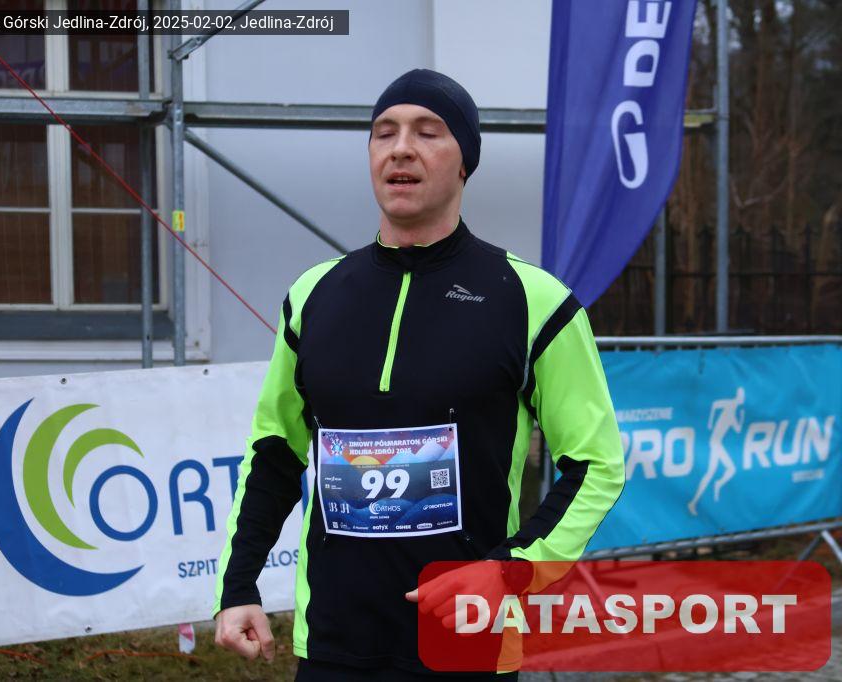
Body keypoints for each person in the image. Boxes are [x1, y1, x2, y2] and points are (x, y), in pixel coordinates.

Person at [212, 68, 625, 680]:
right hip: (332, 645)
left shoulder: (533, 299)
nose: (401, 148)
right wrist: (238, 583)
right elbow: (275, 452)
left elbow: (596, 464)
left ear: (465, 163)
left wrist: (509, 571)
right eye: (384, 133)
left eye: (428, 132)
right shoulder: (313, 295)